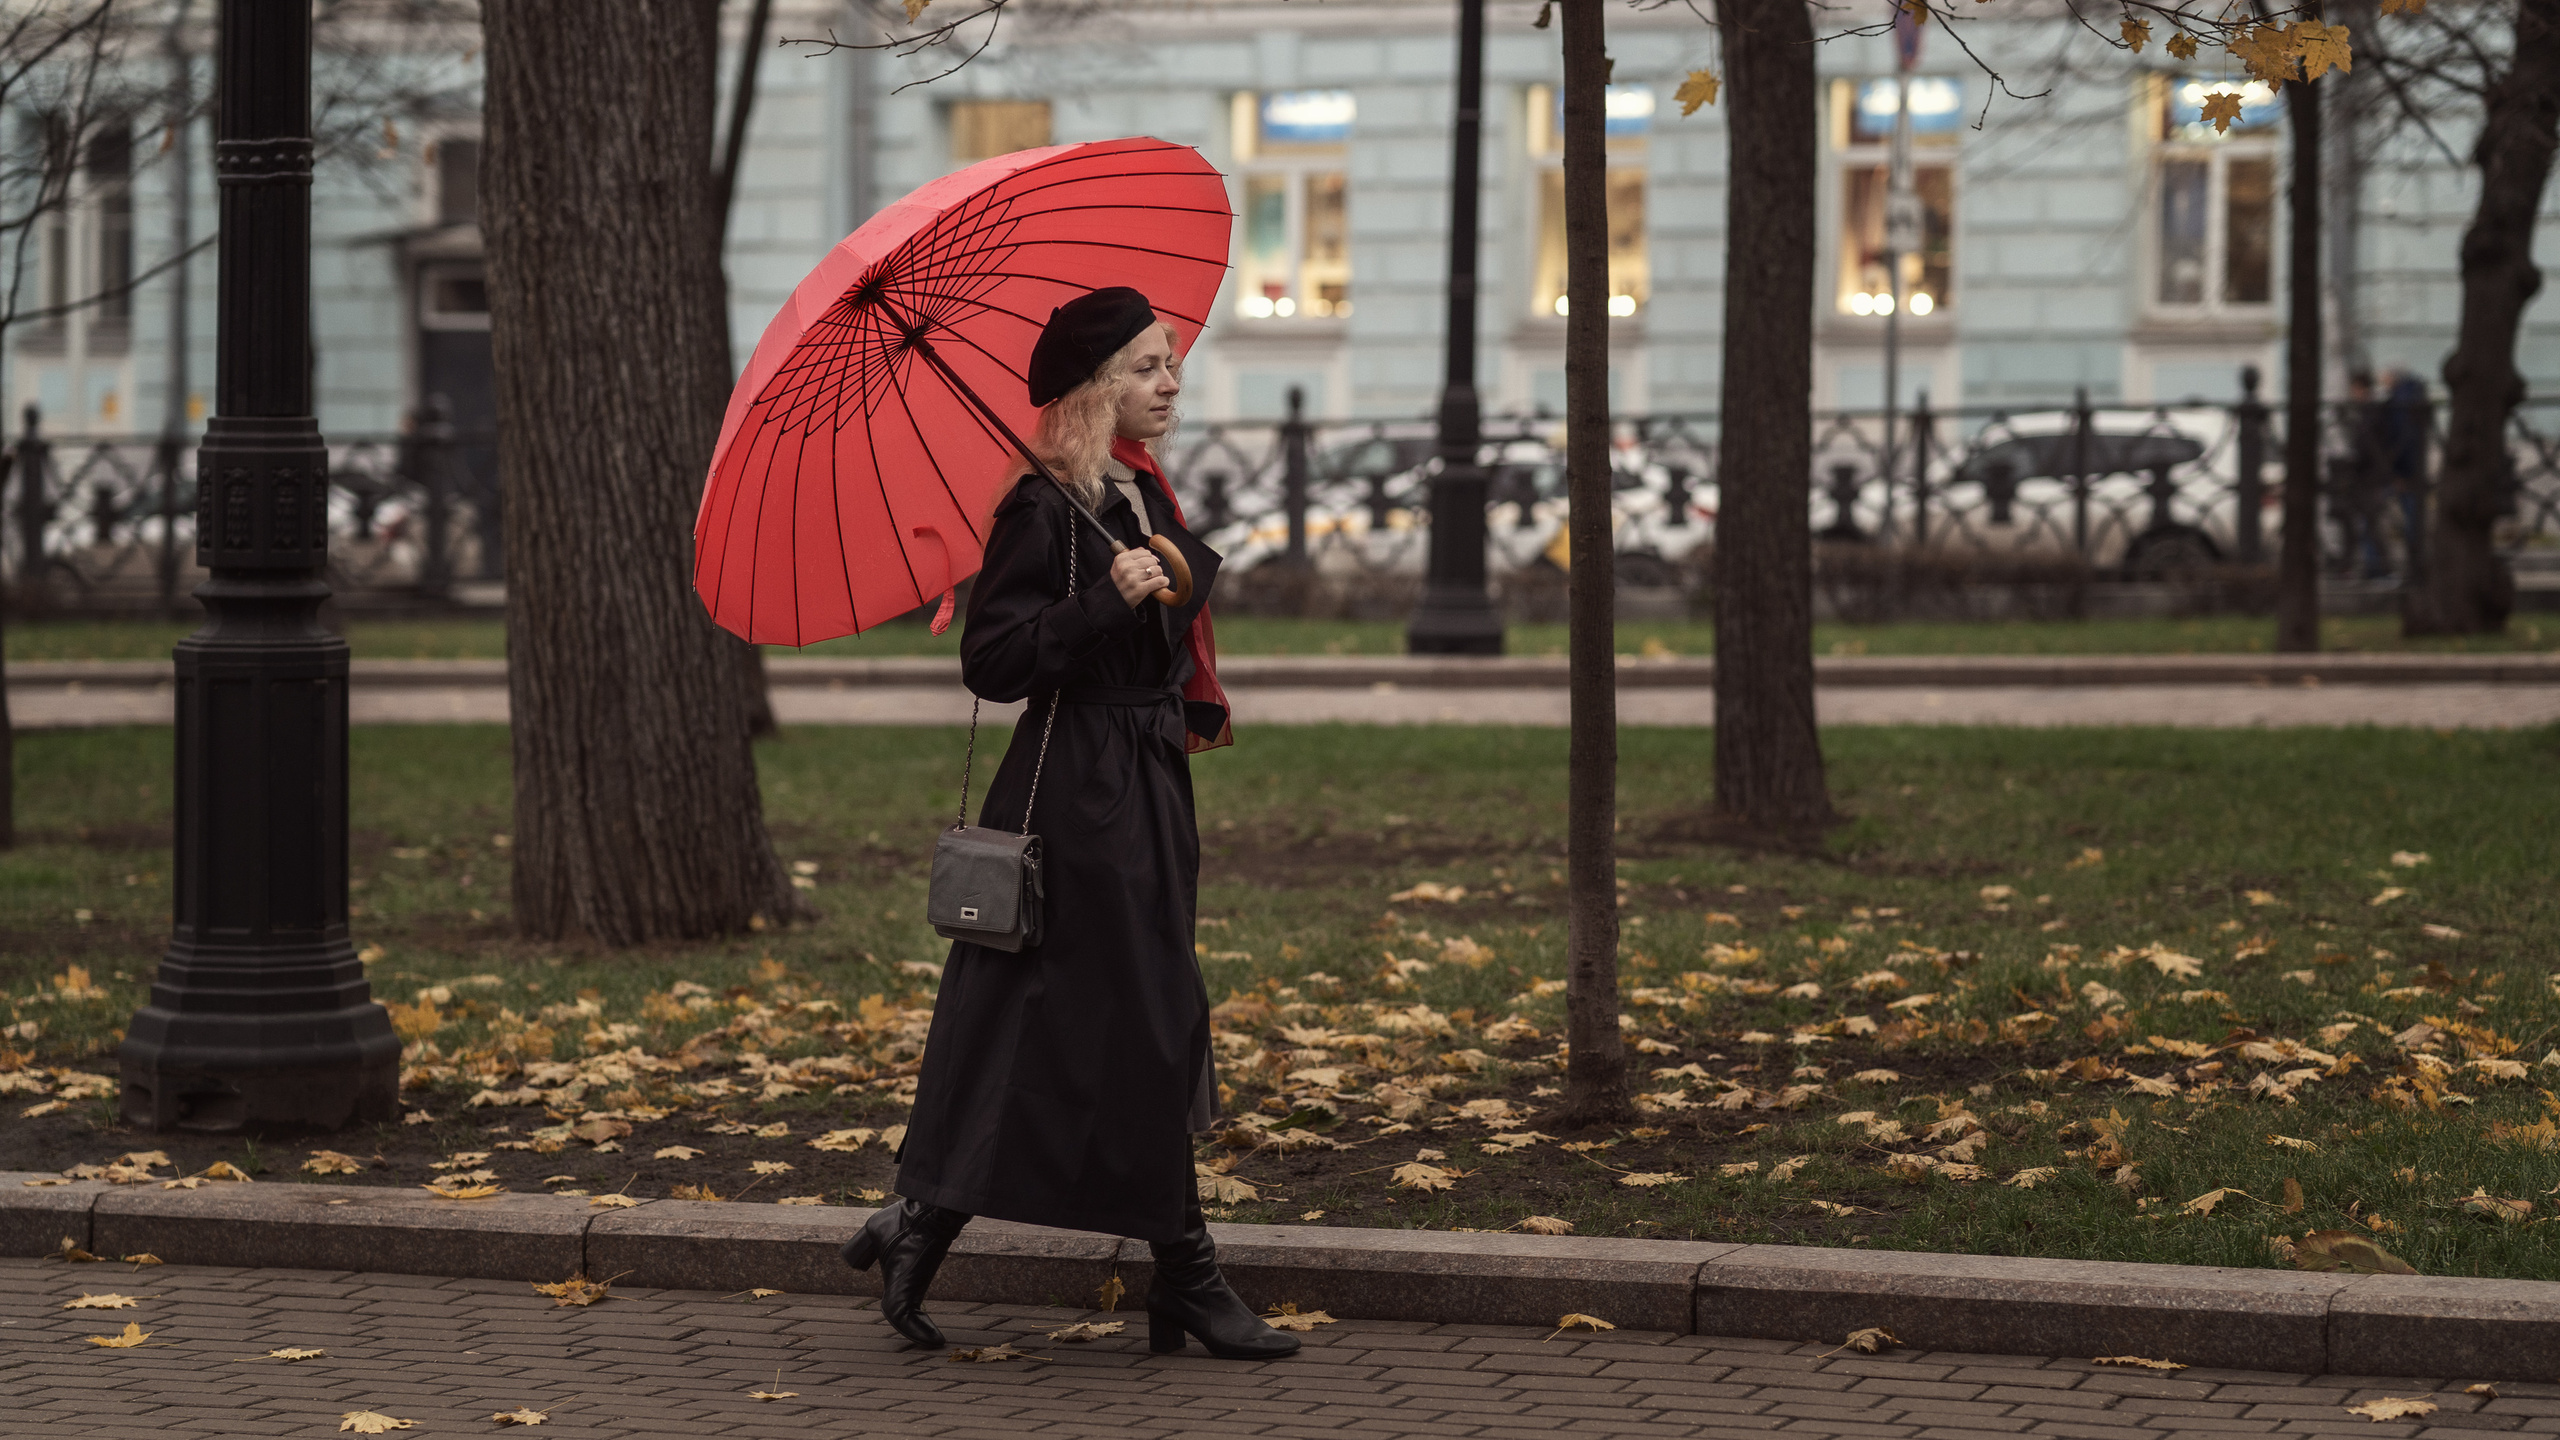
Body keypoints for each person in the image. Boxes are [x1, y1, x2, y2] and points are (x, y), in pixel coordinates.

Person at [840, 287, 1298, 1362]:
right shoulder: (1040, 508)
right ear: (1092, 387)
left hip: (1142, 779)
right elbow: (991, 664)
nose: (1169, 383)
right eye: (1145, 367)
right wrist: (1107, 599)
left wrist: (1147, 576)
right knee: (1140, 1023)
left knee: (1069, 1022)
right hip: (1074, 793)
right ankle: (1186, 1276)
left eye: (1172, 362)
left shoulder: (1134, 495)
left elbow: (1162, 632)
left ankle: (918, 1223)